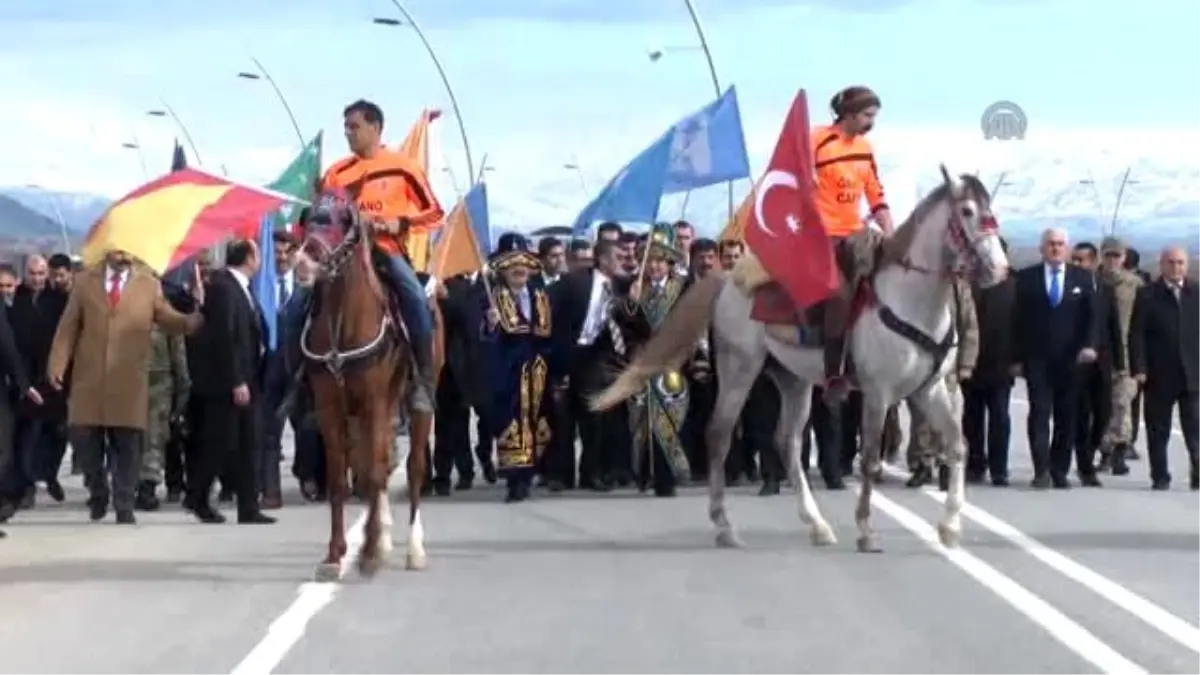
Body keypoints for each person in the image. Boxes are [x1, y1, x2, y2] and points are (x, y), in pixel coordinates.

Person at [46, 250, 202, 524]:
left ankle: (124, 503)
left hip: (129, 379)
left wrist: (194, 316)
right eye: (119, 250)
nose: (124, 255)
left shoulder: (148, 285)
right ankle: (97, 491)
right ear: (108, 251)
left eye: (129, 250)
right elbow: (67, 328)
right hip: (90, 379)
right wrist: (57, 365)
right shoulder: (85, 283)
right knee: (86, 445)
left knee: (129, 448)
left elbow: (169, 319)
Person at [320, 99, 445, 420]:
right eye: (346, 127)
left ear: (375, 128)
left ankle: (422, 379)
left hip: (386, 251)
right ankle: (298, 382)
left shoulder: (403, 167)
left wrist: (397, 222)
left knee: (416, 298)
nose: (348, 133)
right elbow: (322, 213)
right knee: (301, 303)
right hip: (343, 253)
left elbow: (434, 212)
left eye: (354, 126)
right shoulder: (336, 172)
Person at [812, 85, 895, 402]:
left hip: (856, 232)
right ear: (848, 113)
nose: (871, 121)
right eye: (867, 115)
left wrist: (888, 229)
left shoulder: (866, 147)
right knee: (840, 293)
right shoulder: (817, 139)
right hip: (821, 235)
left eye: (874, 116)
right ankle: (833, 371)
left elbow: (875, 191)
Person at [481, 234, 560, 503]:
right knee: (511, 424)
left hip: (538, 371)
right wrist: (490, 325)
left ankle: (533, 473)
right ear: (501, 268)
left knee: (538, 421)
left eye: (524, 262)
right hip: (508, 371)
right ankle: (515, 479)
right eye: (512, 262)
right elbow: (482, 340)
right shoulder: (491, 297)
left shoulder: (540, 295)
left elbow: (550, 335)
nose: (519, 268)